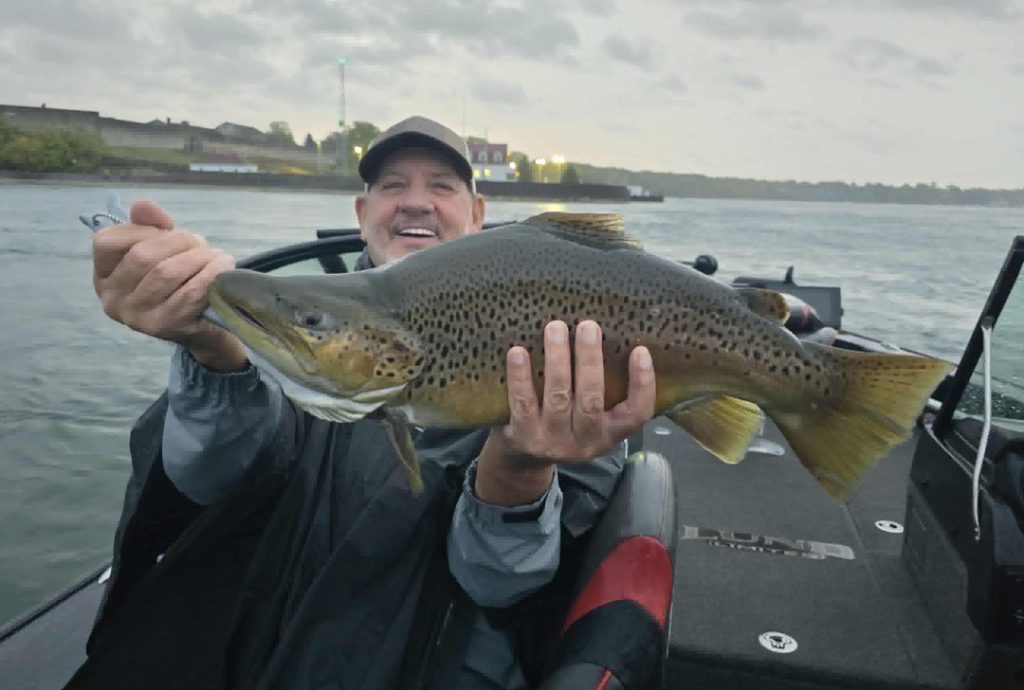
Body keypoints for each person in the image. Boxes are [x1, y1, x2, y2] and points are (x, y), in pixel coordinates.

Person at [68, 116, 656, 690]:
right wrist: (212, 354)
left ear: (478, 216)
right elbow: (210, 480)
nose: (415, 202)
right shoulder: (290, 349)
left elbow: (502, 588)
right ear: (362, 212)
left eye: (442, 186)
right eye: (392, 185)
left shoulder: (576, 361)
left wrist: (519, 467)